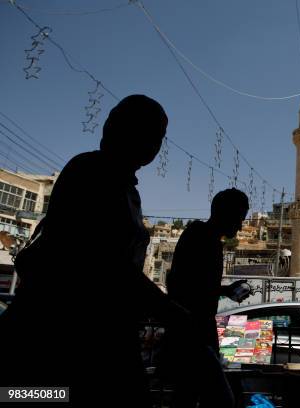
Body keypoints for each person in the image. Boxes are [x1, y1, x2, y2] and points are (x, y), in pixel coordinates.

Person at [0, 95, 197, 407]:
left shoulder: (125, 188)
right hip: (62, 340)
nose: (155, 143)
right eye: (149, 131)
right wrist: (171, 311)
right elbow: (106, 265)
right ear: (116, 128)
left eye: (159, 135)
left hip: (101, 340)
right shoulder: (91, 173)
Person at [164, 188, 251, 407]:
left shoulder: (204, 237)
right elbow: (185, 287)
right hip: (193, 332)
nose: (240, 226)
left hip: (195, 331)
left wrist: (224, 290)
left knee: (188, 394)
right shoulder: (202, 237)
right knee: (217, 398)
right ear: (225, 213)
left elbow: (197, 285)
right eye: (239, 218)